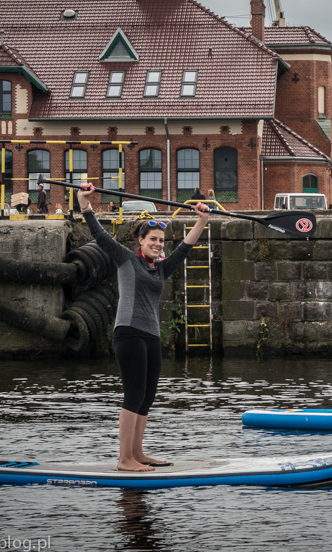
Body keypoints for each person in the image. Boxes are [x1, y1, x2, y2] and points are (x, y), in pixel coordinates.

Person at [77, 182, 211, 472]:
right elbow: (99, 235)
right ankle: (125, 459)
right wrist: (84, 203)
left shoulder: (161, 267)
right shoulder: (126, 260)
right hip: (128, 333)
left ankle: (137, 452)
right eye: (153, 239)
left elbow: (185, 247)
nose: (158, 244)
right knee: (134, 394)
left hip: (151, 335)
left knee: (148, 396)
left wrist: (202, 220)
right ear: (140, 241)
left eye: (161, 240)